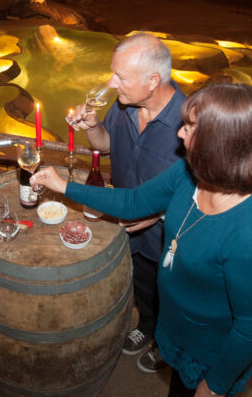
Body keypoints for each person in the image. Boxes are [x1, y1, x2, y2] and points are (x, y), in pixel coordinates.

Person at [32, 83, 252, 396]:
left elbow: (250, 329)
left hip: (209, 351)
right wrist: (64, 186)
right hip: (176, 326)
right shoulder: (190, 173)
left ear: (222, 143)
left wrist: (215, 387)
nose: (180, 134)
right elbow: (132, 203)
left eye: (191, 128)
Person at [68, 32, 186, 373]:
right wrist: (91, 127)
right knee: (143, 288)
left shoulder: (190, 122)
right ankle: (148, 327)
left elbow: (202, 191)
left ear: (152, 81)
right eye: (112, 72)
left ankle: (166, 345)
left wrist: (159, 212)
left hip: (168, 236)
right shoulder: (123, 106)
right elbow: (105, 145)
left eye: (120, 76)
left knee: (172, 297)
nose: (110, 82)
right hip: (125, 229)